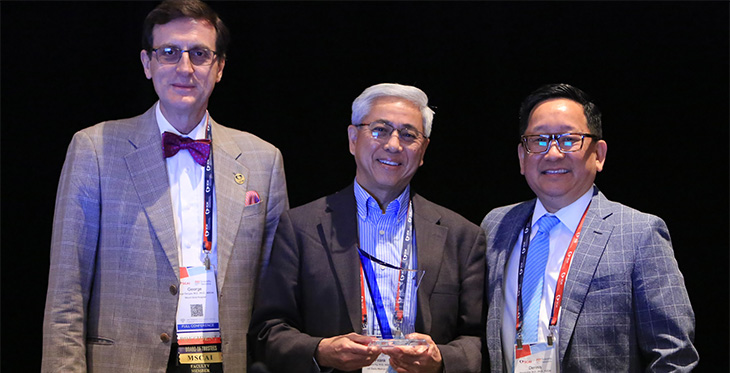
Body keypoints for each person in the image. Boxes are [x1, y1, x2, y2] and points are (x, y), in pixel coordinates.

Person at [41, 1, 288, 371]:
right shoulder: (95, 148)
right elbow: (67, 291)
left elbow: (273, 298)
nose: (185, 68)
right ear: (147, 63)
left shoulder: (263, 160)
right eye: (169, 52)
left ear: (219, 67)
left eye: (200, 54)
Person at [249, 83, 485, 373]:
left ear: (423, 151)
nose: (394, 145)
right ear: (352, 139)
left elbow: (476, 341)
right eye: (380, 130)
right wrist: (321, 351)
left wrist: (440, 360)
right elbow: (268, 332)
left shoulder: (463, 237)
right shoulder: (300, 228)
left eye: (409, 135)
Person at [481, 83, 698, 372]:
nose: (553, 153)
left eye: (569, 139)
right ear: (522, 157)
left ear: (599, 154)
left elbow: (674, 356)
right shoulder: (496, 226)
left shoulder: (638, 233)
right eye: (539, 140)